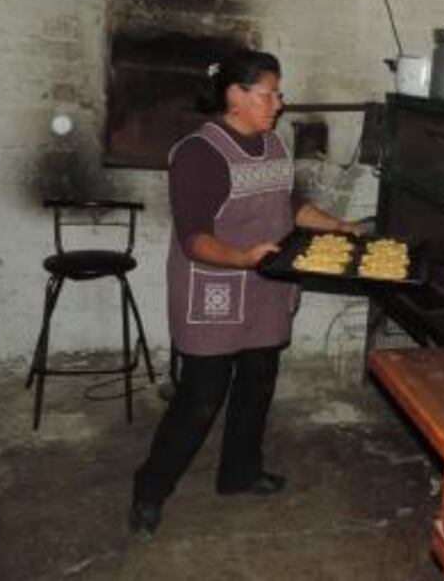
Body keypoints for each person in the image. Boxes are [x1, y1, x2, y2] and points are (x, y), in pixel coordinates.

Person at [129, 49, 360, 535]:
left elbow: (292, 205)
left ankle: (239, 472)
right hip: (213, 288)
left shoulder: (273, 145)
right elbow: (194, 237)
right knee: (201, 398)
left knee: (257, 384)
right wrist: (242, 258)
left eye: (278, 92)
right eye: (268, 93)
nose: (278, 102)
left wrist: (336, 225)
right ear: (235, 95)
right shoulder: (198, 153)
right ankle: (150, 489)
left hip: (266, 289)